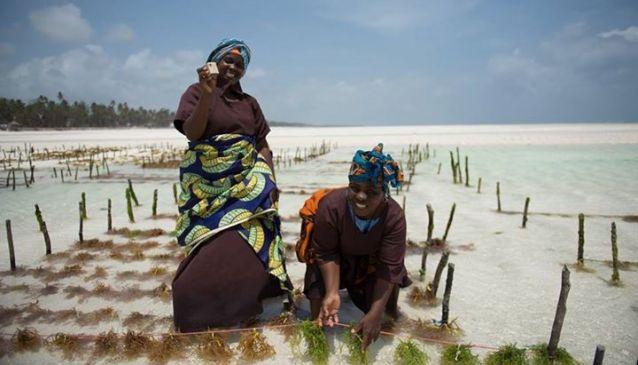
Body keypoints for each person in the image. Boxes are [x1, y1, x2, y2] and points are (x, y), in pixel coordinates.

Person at [171, 38, 291, 332]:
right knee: (211, 240)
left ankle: (255, 296)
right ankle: (201, 306)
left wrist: (269, 179)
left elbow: (262, 144)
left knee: (251, 236)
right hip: (207, 186)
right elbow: (193, 132)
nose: (234, 67)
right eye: (228, 60)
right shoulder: (195, 92)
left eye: (240, 64)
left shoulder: (249, 103)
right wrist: (208, 94)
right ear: (214, 61)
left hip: (248, 183)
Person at [303, 143, 411, 349]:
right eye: (355, 189)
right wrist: (332, 292)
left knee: (384, 312)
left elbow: (389, 266)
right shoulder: (331, 206)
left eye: (372, 192)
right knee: (317, 281)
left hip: (370, 261)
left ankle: (384, 314)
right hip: (336, 260)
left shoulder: (394, 217)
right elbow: (325, 252)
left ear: (385, 193)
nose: (361, 197)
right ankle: (316, 326)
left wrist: (376, 313)